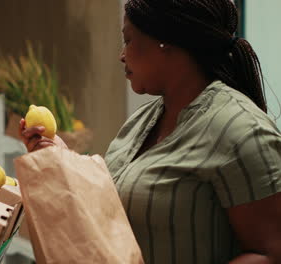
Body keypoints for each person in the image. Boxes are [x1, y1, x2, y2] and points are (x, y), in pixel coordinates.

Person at [19, 0, 281, 263]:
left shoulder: (241, 129)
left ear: (164, 40)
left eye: (129, 39)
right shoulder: (142, 121)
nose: (122, 55)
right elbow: (114, 205)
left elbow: (271, 254)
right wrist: (60, 157)